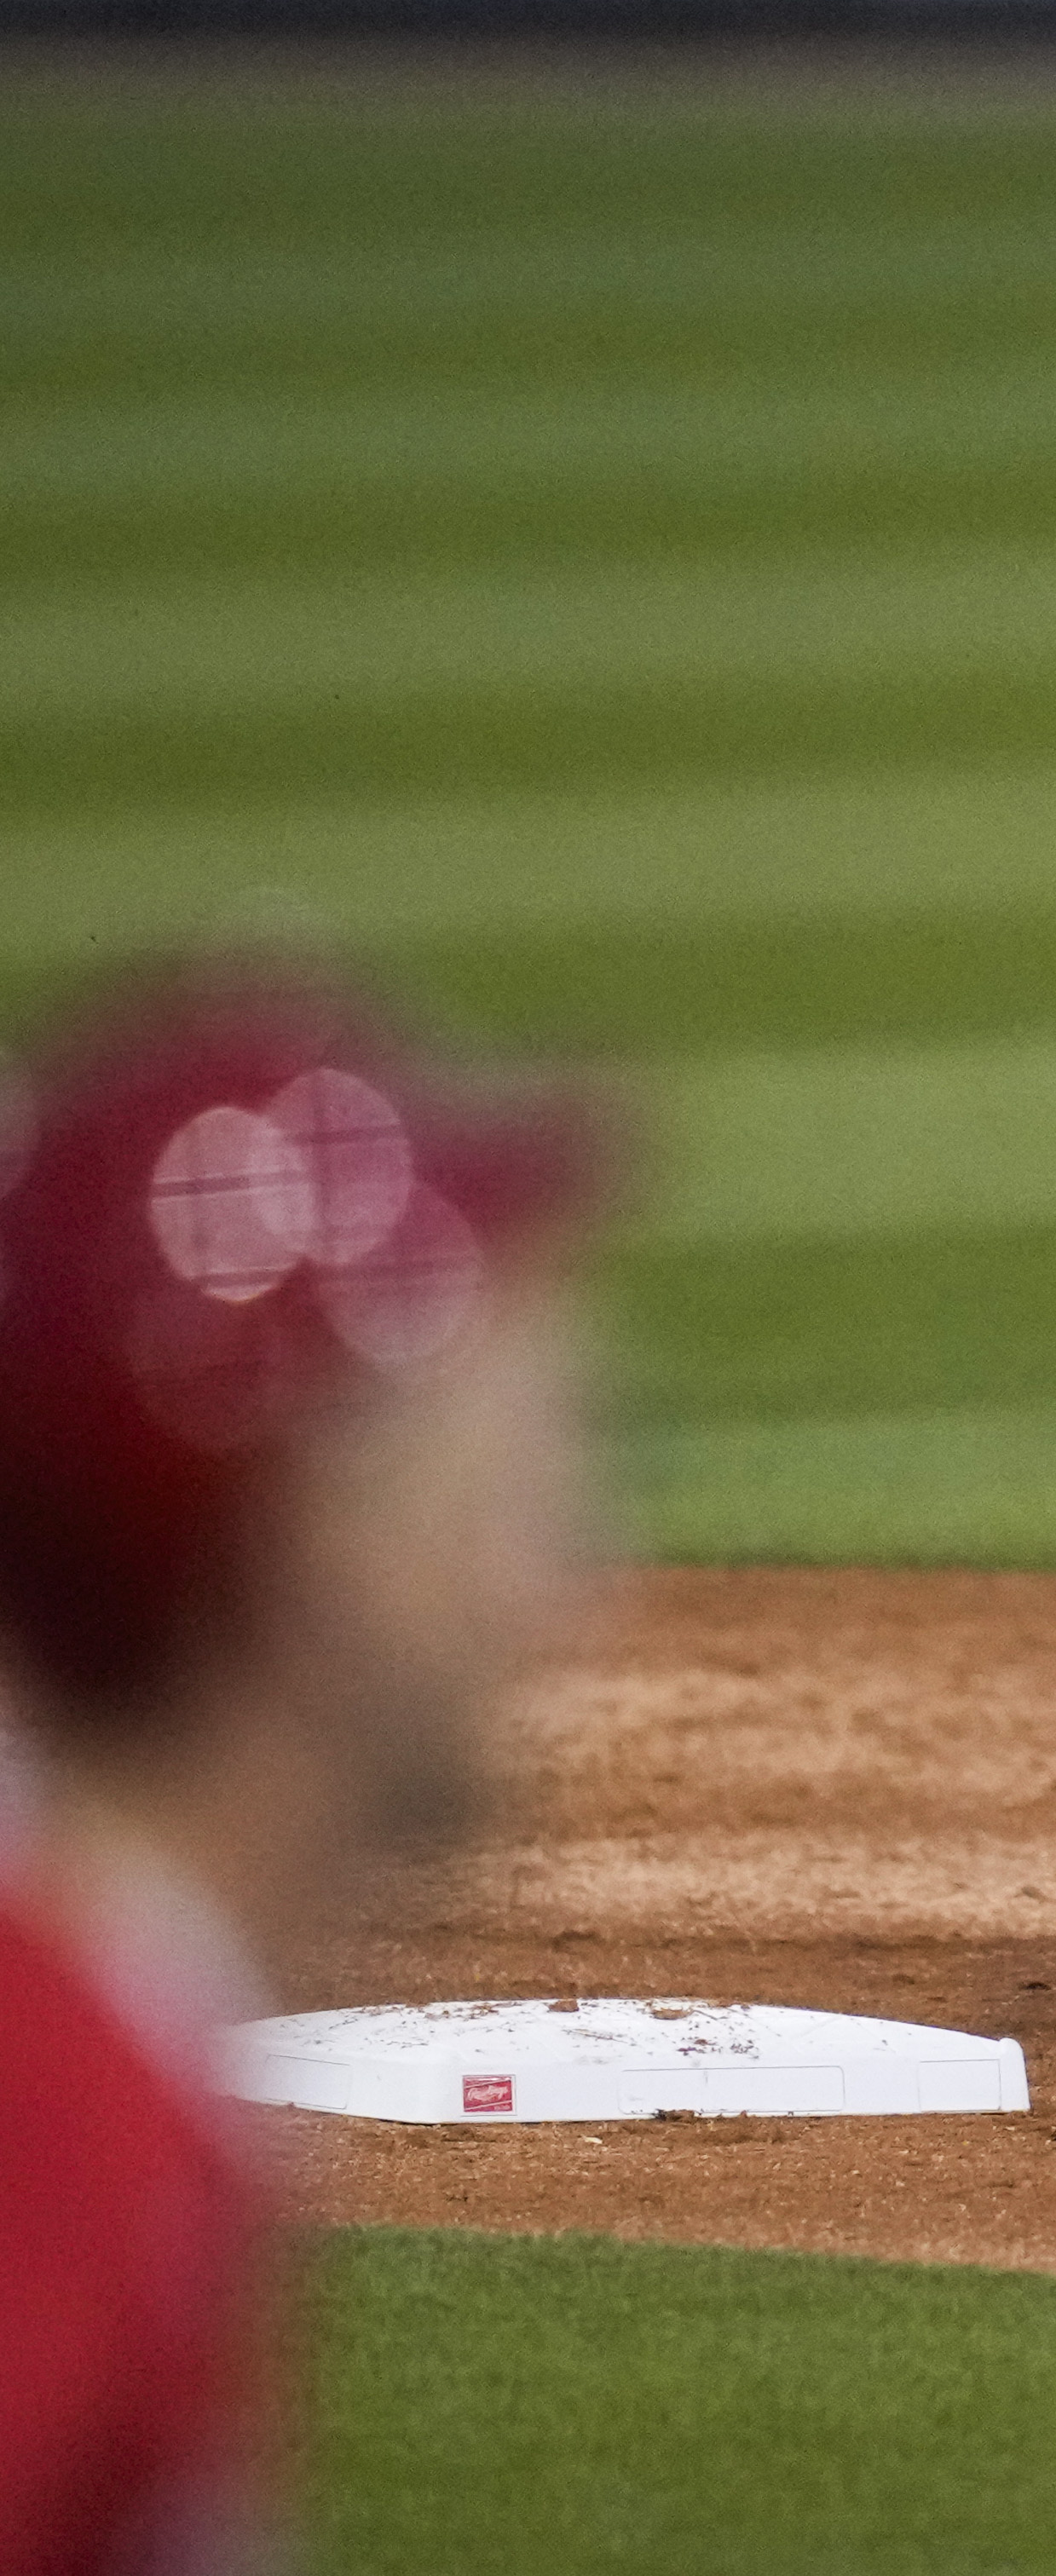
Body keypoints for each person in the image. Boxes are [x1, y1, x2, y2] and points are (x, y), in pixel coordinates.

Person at [0, 969, 609, 2573]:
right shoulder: (49, 2139)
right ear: (333, 1550)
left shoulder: (106, 2031)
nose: (573, 1568)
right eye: (502, 1479)